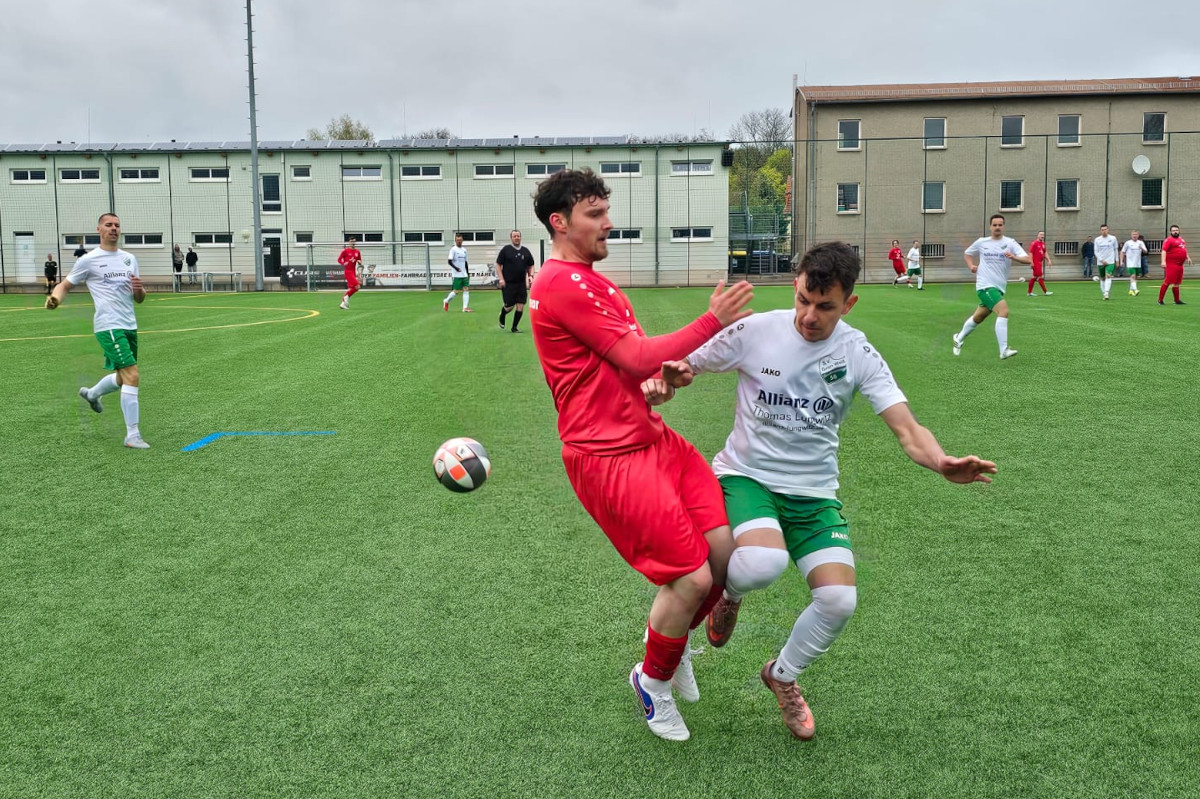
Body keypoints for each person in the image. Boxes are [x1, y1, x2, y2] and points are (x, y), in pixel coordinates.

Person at [643, 241, 996, 740]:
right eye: (804, 300)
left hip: (813, 494)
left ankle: (781, 676)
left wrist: (941, 462)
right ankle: (732, 595)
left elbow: (907, 429)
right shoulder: (756, 330)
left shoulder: (857, 352)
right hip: (747, 477)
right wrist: (670, 381)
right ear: (796, 286)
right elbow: (681, 367)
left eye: (825, 306)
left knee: (838, 601)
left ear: (849, 303)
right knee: (761, 564)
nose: (810, 316)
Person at [528, 168, 754, 742]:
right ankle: (651, 683)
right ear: (560, 222)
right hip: (609, 457)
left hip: (652, 439)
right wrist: (711, 321)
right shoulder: (559, 282)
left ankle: (670, 651)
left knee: (724, 554)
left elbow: (635, 365)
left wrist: (662, 379)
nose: (609, 223)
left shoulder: (595, 282)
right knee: (690, 580)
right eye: (595, 215)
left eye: (607, 211)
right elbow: (631, 357)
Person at [45, 213, 149, 449]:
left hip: (129, 324)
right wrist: (55, 298)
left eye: (117, 225)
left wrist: (140, 290)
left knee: (123, 378)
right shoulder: (89, 260)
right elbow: (65, 284)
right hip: (108, 325)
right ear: (99, 229)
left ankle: (92, 394)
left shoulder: (129, 259)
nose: (114, 228)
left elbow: (140, 299)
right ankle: (132, 435)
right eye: (109, 225)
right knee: (132, 375)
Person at [953, 213, 1031, 360]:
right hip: (984, 286)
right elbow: (967, 253)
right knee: (1003, 310)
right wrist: (971, 266)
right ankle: (1003, 350)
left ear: (1003, 226)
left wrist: (1013, 257)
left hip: (999, 288)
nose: (997, 227)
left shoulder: (1010, 243)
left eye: (1000, 225)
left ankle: (958, 338)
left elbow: (1028, 259)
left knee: (978, 317)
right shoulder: (982, 242)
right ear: (990, 227)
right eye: (994, 225)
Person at [496, 230, 535, 332]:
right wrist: (501, 279)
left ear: (520, 237)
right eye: (514, 236)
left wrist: (531, 276)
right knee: (509, 307)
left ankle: (514, 328)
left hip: (521, 284)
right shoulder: (506, 250)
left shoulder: (525, 251)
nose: (516, 238)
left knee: (520, 305)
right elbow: (498, 264)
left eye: (518, 236)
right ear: (511, 238)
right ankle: (503, 314)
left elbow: (531, 265)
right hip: (508, 283)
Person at [1159, 224, 1191, 305]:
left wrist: (1188, 257)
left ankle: (1177, 300)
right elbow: (1164, 251)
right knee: (1167, 281)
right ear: (1170, 232)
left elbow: (1184, 249)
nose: (1175, 232)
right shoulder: (1168, 240)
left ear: (1179, 231)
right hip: (1171, 264)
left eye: (1176, 230)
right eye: (1173, 231)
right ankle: (1160, 300)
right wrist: (1163, 261)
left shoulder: (1181, 240)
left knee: (1177, 283)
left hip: (1180, 265)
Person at [443, 233, 472, 312]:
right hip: (457, 274)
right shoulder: (453, 249)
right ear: (455, 241)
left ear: (462, 240)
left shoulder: (464, 250)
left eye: (460, 240)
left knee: (466, 289)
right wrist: (456, 268)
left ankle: (465, 308)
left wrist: (467, 272)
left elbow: (465, 262)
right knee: (456, 291)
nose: (459, 241)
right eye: (457, 240)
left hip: (464, 274)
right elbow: (449, 261)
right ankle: (446, 300)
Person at [1094, 225, 1120, 300]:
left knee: (1108, 275)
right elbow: (1096, 251)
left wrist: (1117, 260)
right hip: (1101, 262)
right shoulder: (1097, 240)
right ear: (1100, 231)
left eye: (1105, 229)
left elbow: (1115, 250)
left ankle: (1106, 292)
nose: (1104, 231)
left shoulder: (1113, 238)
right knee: (1102, 278)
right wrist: (1101, 260)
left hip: (1110, 261)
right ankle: (1104, 293)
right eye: (1102, 230)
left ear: (1108, 230)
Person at [338, 237, 363, 310]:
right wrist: (343, 263)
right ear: (349, 242)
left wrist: (359, 262)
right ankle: (345, 297)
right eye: (351, 241)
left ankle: (343, 304)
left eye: (354, 241)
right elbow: (339, 259)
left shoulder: (357, 252)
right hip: (348, 272)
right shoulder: (345, 251)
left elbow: (360, 260)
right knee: (357, 286)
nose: (353, 243)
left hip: (353, 271)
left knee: (352, 288)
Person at [1121, 231, 1148, 297]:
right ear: (1131, 235)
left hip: (1137, 263)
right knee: (1132, 276)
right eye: (1133, 234)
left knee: (1135, 277)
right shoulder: (1128, 243)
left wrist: (1142, 248)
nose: (1134, 235)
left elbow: (1146, 251)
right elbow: (1122, 252)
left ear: (1138, 235)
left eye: (1136, 234)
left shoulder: (1140, 242)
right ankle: (1135, 290)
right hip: (1130, 263)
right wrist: (1121, 261)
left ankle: (1131, 290)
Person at [1027, 231, 1053, 296]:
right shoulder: (1034, 243)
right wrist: (1031, 262)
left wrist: (1048, 260)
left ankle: (1029, 293)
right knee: (1040, 277)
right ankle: (1045, 292)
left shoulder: (1043, 244)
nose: (1042, 236)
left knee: (1034, 277)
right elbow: (1031, 253)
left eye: (1043, 235)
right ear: (1037, 235)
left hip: (1039, 262)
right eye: (1041, 234)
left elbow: (1045, 252)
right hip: (1035, 263)